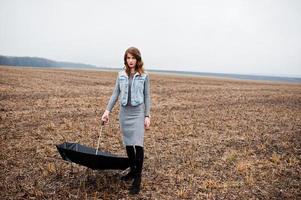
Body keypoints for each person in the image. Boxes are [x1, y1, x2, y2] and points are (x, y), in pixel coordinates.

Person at [101, 47, 151, 195]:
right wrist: (107, 111)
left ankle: (137, 179)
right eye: (128, 58)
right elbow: (115, 93)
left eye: (133, 58)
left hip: (137, 113)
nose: (131, 61)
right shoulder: (120, 74)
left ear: (138, 59)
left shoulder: (144, 76)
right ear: (125, 59)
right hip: (124, 113)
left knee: (138, 144)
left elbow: (147, 96)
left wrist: (147, 115)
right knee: (128, 143)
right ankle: (132, 170)